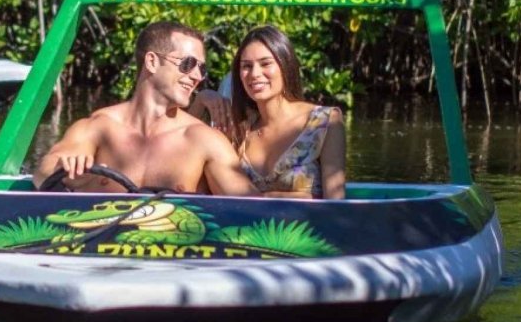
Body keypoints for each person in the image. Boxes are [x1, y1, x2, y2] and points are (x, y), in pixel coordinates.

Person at [34, 21, 258, 195]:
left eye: (201, 68)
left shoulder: (204, 140)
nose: (197, 76)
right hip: (100, 247)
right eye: (187, 64)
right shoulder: (99, 127)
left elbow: (247, 204)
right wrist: (67, 165)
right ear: (151, 62)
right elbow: (43, 172)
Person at [213, 25, 346, 199]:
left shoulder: (324, 122)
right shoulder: (239, 130)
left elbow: (336, 203)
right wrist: (202, 100)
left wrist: (267, 197)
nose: (255, 74)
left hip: (309, 225)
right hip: (246, 225)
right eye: (246, 66)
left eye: (265, 63)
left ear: (285, 65)